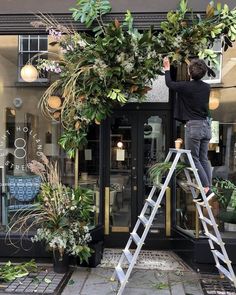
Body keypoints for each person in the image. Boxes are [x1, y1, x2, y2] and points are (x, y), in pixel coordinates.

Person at [163, 57, 214, 204]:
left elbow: (169, 83)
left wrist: (167, 68)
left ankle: (206, 188)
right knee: (203, 158)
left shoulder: (186, 86)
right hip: (206, 126)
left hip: (194, 126)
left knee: (194, 159)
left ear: (189, 73)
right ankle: (207, 188)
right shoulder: (207, 87)